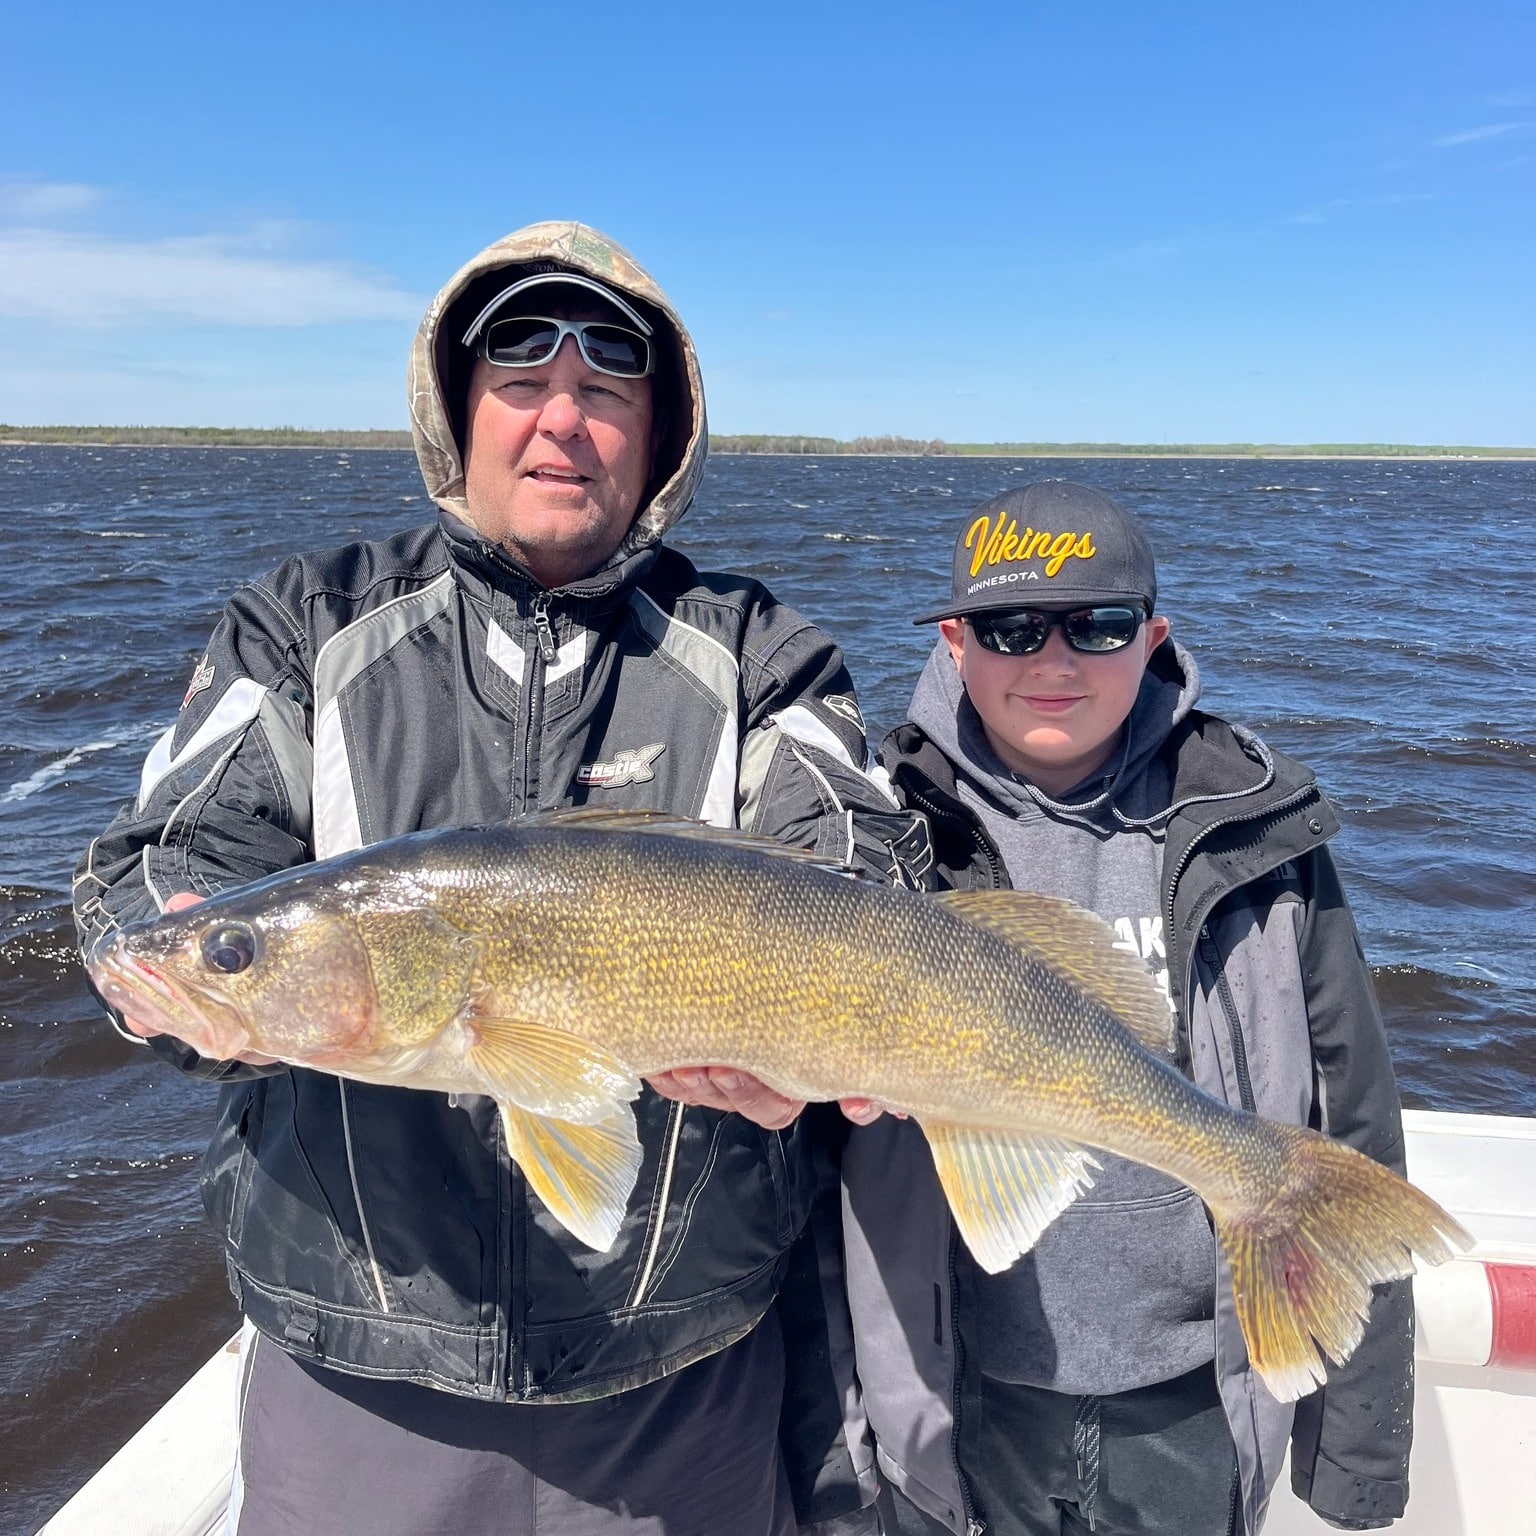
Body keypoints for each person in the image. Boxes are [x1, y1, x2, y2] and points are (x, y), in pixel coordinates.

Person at [74, 221, 917, 1536]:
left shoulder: (763, 653)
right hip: (360, 1377)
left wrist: (808, 1047)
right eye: (521, 384)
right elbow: (156, 866)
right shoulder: (303, 623)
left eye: (605, 392)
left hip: (682, 1384)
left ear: (662, 432)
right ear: (458, 415)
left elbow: (862, 864)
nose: (560, 422)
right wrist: (188, 962)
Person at [842, 481, 1415, 1536]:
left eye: (1097, 626)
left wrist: (1358, 1453)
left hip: (1192, 1394)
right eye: (1012, 628)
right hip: (961, 1390)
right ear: (954, 644)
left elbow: (1355, 1113)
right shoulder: (876, 825)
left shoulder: (1256, 825)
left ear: (1152, 639)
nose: (1054, 662)